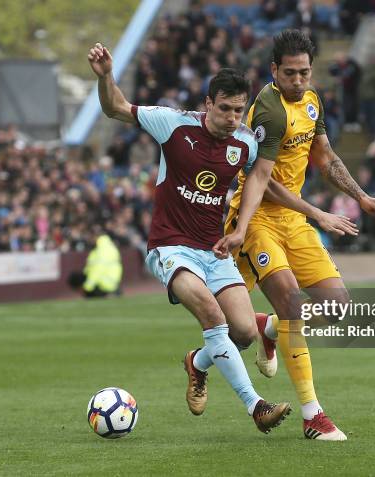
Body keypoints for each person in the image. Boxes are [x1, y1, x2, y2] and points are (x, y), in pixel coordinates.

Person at [88, 43, 291, 433]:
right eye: (225, 109)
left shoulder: (245, 143)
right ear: (207, 103)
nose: (233, 118)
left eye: (238, 110)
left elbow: (260, 180)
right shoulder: (174, 123)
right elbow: (115, 108)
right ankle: (256, 407)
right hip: (170, 246)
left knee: (245, 332)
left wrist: (241, 228)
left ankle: (196, 363)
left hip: (213, 250)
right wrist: (106, 77)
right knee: (213, 318)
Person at [224, 29, 375, 441]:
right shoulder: (268, 109)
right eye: (290, 74)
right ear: (273, 71)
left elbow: (326, 157)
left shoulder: (312, 102)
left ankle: (262, 333)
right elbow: (261, 178)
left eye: (304, 73)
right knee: (290, 302)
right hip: (258, 218)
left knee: (337, 306)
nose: (298, 81)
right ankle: (312, 416)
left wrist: (362, 196)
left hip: (293, 221)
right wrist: (319, 213)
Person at [67, 230, 123, 298]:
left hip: (104, 283)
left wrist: (87, 286)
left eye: (90, 237)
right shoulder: (104, 247)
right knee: (77, 277)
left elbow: (97, 270)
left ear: (95, 237)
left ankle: (104, 294)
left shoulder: (102, 250)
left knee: (76, 278)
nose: (88, 240)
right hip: (108, 281)